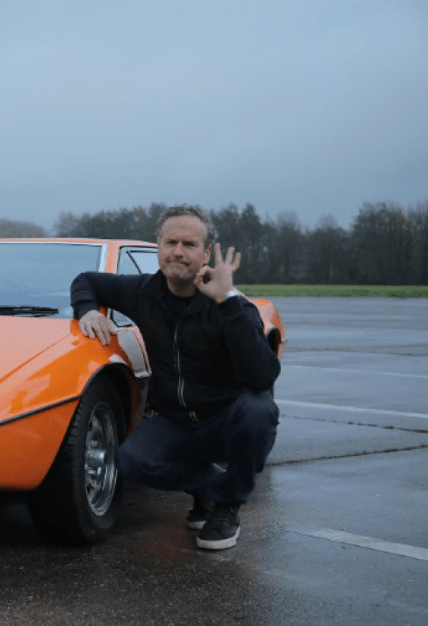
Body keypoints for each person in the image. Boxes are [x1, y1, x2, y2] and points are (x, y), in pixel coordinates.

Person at [70, 205, 280, 550]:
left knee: (259, 411)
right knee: (130, 461)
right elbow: (86, 280)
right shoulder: (142, 292)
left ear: (207, 252)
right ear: (158, 246)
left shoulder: (234, 307)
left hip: (225, 419)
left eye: (189, 244)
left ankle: (227, 508)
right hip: (174, 420)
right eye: (170, 243)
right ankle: (212, 490)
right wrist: (88, 309)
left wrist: (225, 301)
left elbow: (263, 376)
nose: (178, 252)